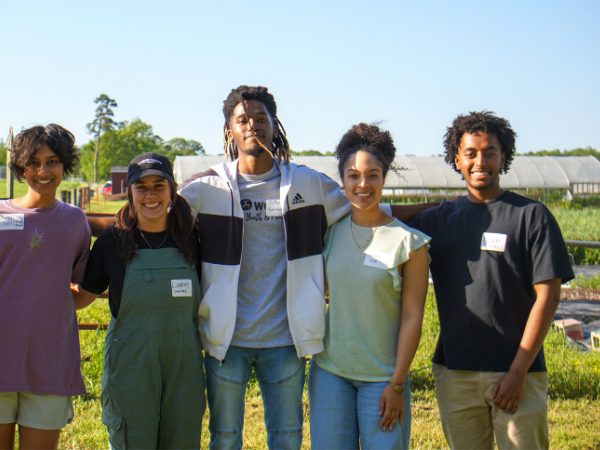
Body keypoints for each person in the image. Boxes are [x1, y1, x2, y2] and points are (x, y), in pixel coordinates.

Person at [177, 85, 435, 450]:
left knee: (287, 438)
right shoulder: (206, 188)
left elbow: (365, 208)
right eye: (243, 120)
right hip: (226, 340)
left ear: (274, 126)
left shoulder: (307, 183)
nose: (253, 126)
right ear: (229, 131)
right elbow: (156, 215)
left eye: (262, 119)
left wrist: (444, 208)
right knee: (224, 437)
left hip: (286, 341)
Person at [408, 111, 574, 449]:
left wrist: (517, 372)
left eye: (490, 152)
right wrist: (440, 203)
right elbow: (379, 216)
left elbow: (549, 297)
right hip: (456, 373)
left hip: (517, 373)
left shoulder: (531, 216)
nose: (480, 160)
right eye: (470, 153)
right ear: (457, 159)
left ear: (504, 157)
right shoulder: (438, 220)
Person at [0, 124, 90, 450]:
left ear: (65, 164)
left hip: (48, 359)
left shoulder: (75, 221)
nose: (43, 171)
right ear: (19, 167)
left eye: (53, 161)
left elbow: (82, 290)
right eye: (33, 162)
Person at [308, 124, 430, 450]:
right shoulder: (329, 234)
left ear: (384, 178)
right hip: (330, 373)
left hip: (383, 378)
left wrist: (398, 383)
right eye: (353, 175)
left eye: (372, 175)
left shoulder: (410, 244)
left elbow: (412, 317)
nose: (363, 184)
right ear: (342, 182)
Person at [72, 152, 206, 450]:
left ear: (172, 188)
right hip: (131, 363)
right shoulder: (112, 242)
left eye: (159, 185)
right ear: (130, 192)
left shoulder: (193, 240)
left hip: (183, 363)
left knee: (183, 439)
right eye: (141, 187)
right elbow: (82, 298)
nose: (150, 195)